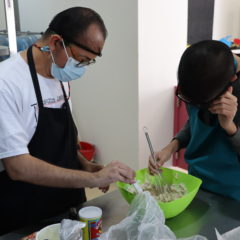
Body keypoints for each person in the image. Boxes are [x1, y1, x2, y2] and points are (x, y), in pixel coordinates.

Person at [0, 7, 135, 234]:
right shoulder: (7, 82)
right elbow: (19, 168)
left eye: (87, 63)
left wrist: (86, 166)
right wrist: (91, 180)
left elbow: (60, 143)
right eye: (81, 60)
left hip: (67, 205)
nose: (80, 69)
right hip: (26, 214)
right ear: (55, 43)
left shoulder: (60, 76)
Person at [148, 40, 240, 201]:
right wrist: (171, 147)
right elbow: (196, 122)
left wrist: (229, 126)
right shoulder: (200, 70)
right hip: (196, 182)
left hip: (231, 195)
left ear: (231, 81)